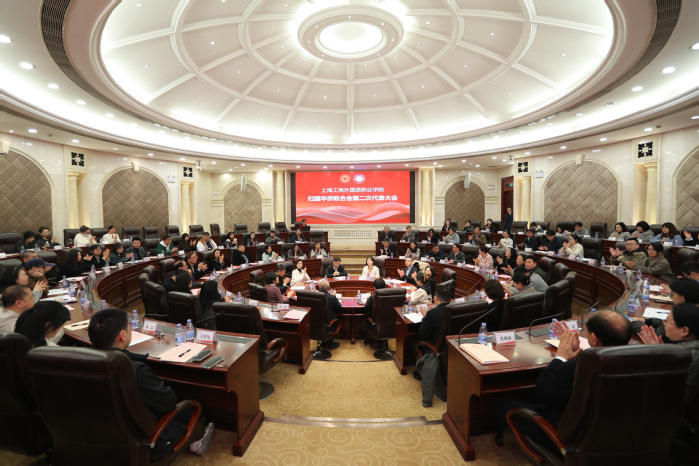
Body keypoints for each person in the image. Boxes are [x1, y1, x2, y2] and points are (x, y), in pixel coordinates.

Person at [496, 311, 632, 448]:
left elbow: (543, 389)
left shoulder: (581, 367)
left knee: (504, 402)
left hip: (570, 437)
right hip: (615, 436)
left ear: (594, 338)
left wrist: (561, 357)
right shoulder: (635, 365)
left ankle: (502, 439)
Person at [87, 309, 195, 460]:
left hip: (97, 437)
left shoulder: (83, 363)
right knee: (192, 406)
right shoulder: (134, 370)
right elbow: (168, 402)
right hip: (146, 441)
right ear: (122, 335)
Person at [639, 303, 699, 406]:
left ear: (684, 331)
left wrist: (655, 353)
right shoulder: (686, 349)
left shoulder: (687, 355)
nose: (664, 324)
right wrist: (663, 351)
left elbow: (669, 393)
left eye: (667, 321)